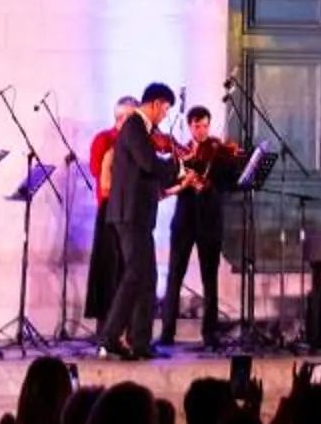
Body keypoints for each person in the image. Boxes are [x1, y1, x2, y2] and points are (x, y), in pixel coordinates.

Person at [98, 83, 181, 359]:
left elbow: (146, 166)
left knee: (148, 277)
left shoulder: (141, 129)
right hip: (129, 213)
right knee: (136, 272)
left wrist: (170, 167)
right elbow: (147, 164)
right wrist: (176, 166)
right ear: (156, 104)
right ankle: (110, 336)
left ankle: (141, 343)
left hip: (139, 214)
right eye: (166, 109)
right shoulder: (134, 125)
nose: (165, 116)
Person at [161, 104, 239, 349]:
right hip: (183, 222)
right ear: (189, 126)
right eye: (197, 126)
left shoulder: (217, 151)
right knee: (174, 276)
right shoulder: (180, 153)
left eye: (205, 125)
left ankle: (210, 334)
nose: (202, 131)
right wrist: (184, 180)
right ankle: (166, 333)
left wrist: (211, 182)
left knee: (210, 280)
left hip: (210, 222)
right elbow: (168, 184)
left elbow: (231, 183)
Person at [83, 96, 138, 335]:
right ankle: (105, 330)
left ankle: (130, 331)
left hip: (132, 211)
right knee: (107, 270)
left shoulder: (139, 141)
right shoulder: (104, 139)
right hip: (109, 210)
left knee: (130, 270)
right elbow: (96, 170)